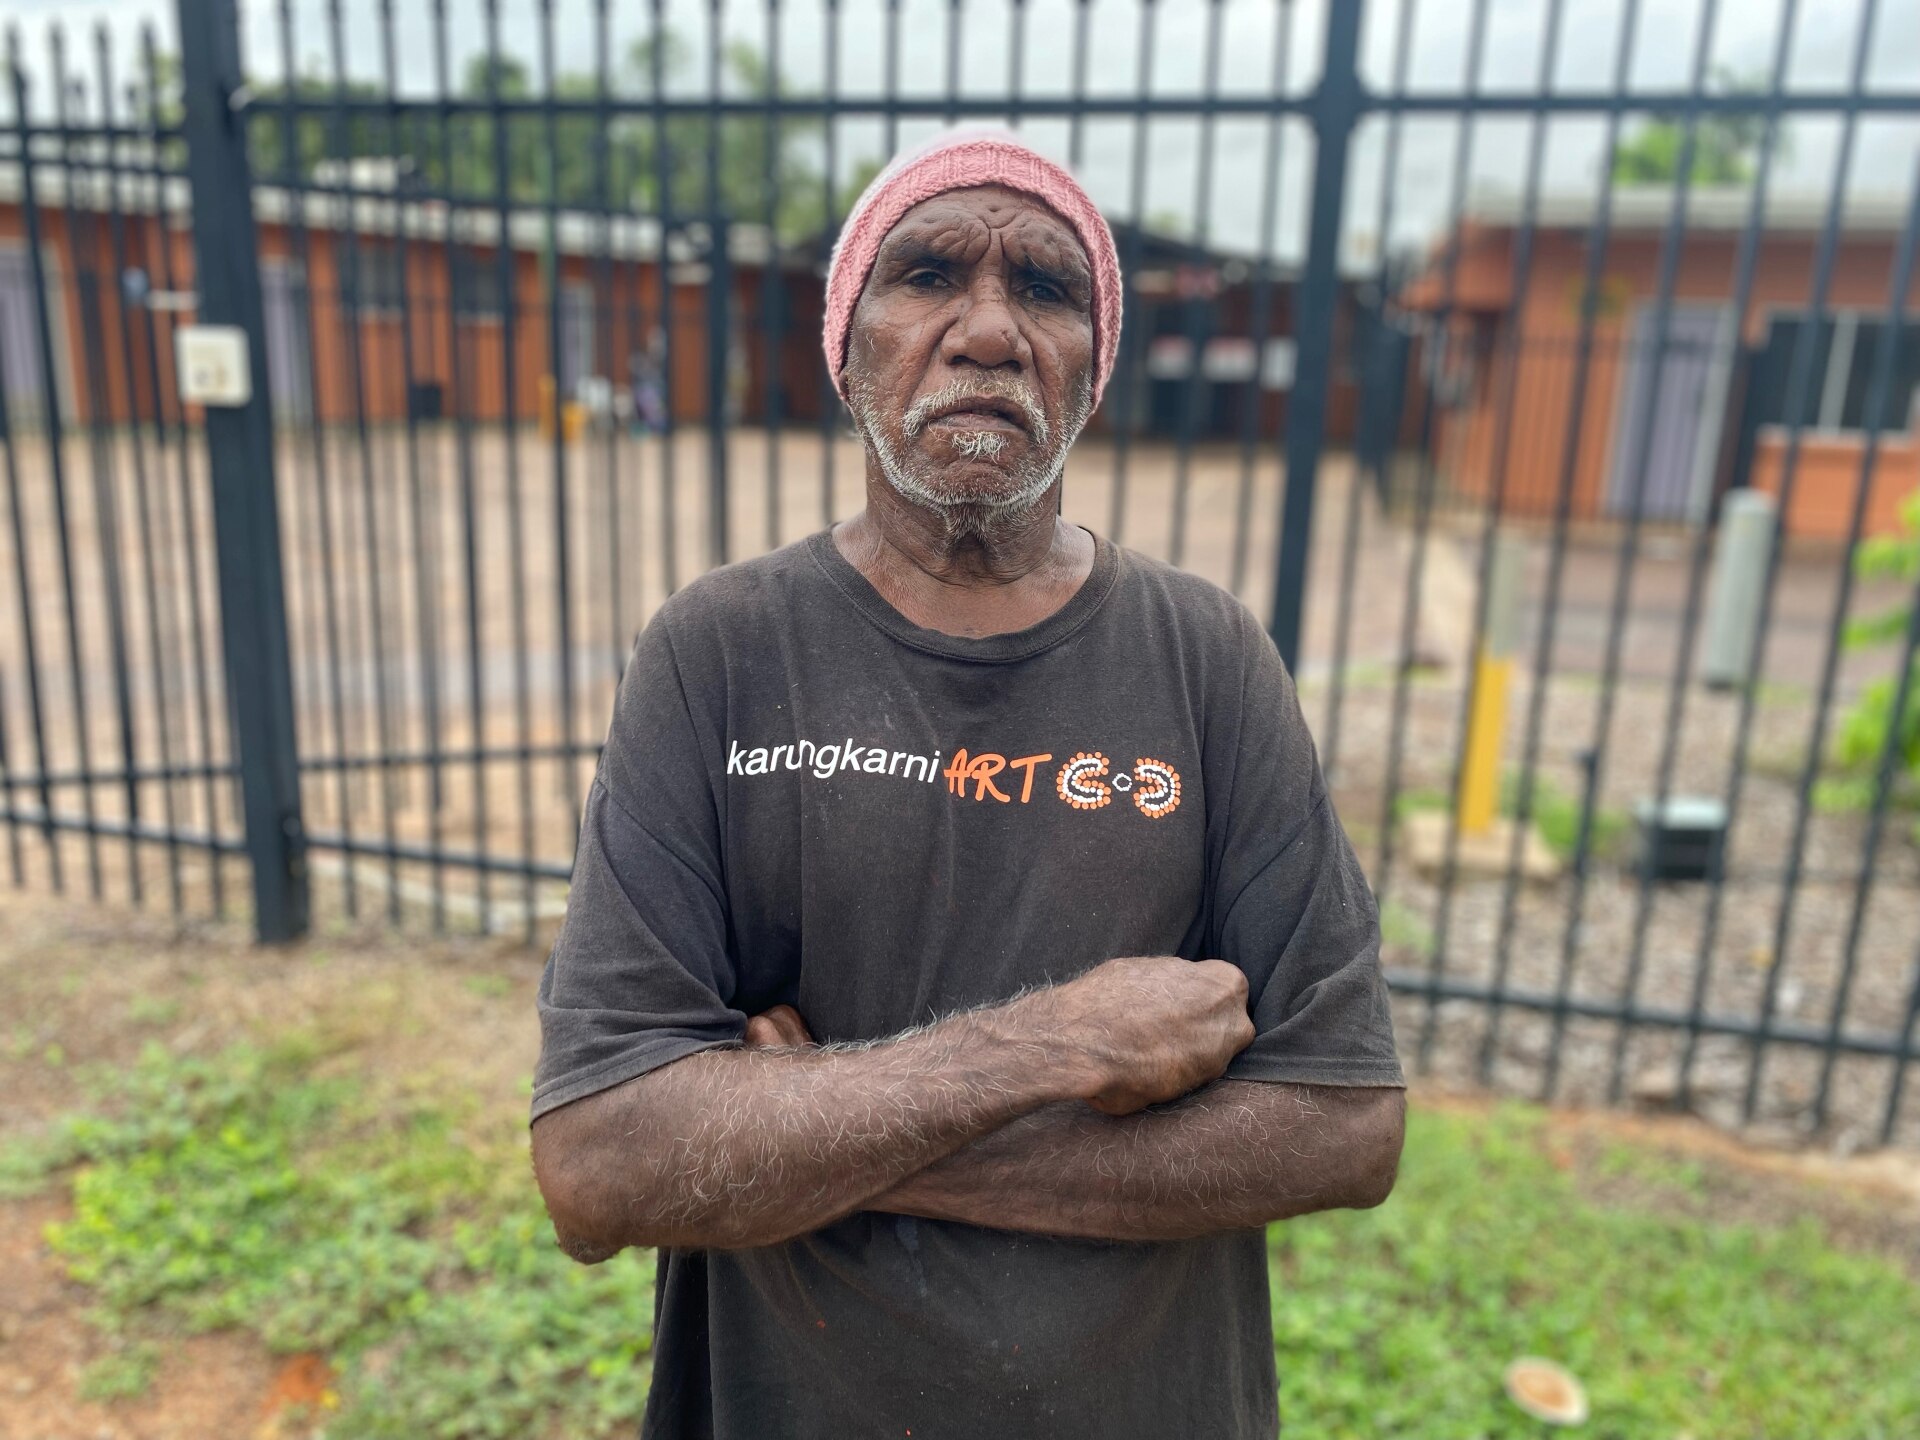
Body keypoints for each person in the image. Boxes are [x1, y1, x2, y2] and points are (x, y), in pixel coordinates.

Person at [529, 128, 1407, 1440]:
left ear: (1092, 371)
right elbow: (602, 1163)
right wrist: (1054, 1046)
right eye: (928, 272)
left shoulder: (1206, 656)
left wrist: (804, 1128)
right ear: (847, 346)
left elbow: (1343, 1122)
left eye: (1045, 290)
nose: (987, 330)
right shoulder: (720, 652)